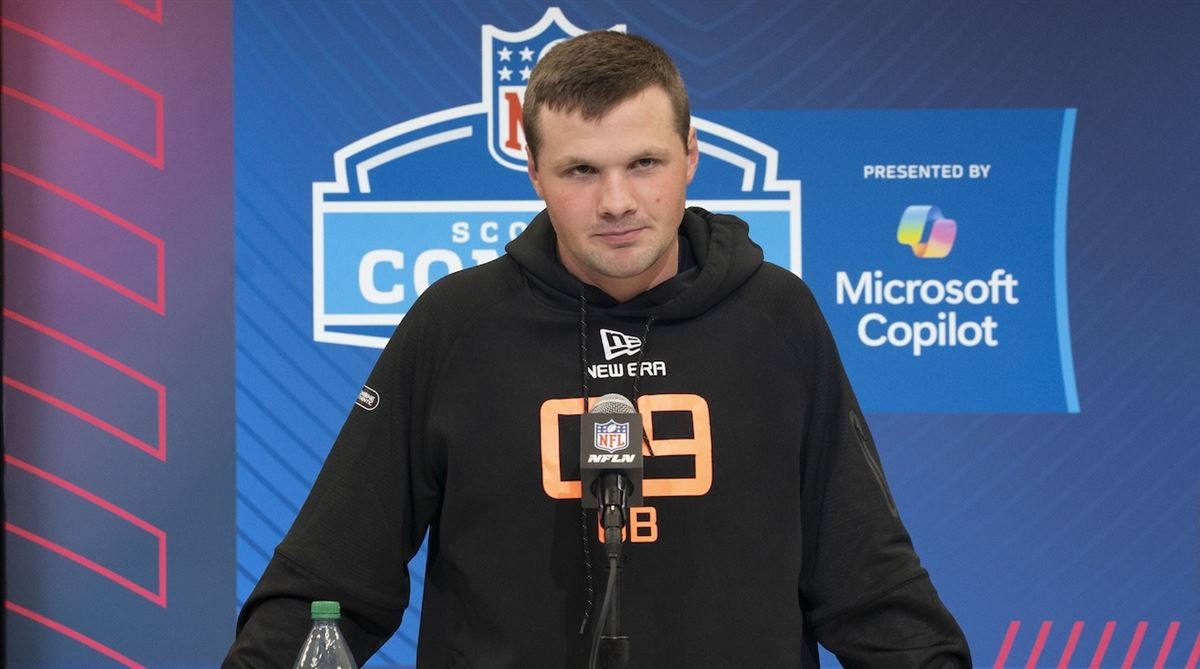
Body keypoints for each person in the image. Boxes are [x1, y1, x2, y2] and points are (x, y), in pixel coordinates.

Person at [224, 31, 971, 668]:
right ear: (534, 174)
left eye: (644, 163)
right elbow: (328, 582)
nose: (616, 202)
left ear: (690, 156)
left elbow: (869, 580)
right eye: (582, 170)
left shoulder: (776, 318)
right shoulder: (456, 326)